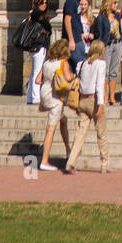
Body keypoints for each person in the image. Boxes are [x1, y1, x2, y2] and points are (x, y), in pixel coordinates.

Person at [65, 40, 110, 174]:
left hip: (82, 100)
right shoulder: (101, 64)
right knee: (101, 133)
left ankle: (71, 161)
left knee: (80, 133)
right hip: (94, 99)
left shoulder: (81, 64)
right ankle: (104, 163)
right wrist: (100, 103)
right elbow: (99, 84)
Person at [36, 39, 72, 171]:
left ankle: (68, 149)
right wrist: (73, 76)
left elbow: (38, 80)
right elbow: (68, 78)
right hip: (55, 96)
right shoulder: (63, 62)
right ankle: (44, 160)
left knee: (63, 120)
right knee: (50, 129)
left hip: (45, 93)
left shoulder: (47, 62)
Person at [24, 0, 53, 105]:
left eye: (46, 3)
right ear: (37, 3)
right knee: (37, 71)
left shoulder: (39, 15)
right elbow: (47, 26)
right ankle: (35, 97)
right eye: (42, 3)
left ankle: (31, 97)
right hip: (38, 46)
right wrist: (47, 25)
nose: (44, 5)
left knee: (34, 71)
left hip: (38, 47)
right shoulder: (37, 14)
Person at [94, 0, 122, 106]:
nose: (116, 5)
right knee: (104, 72)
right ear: (108, 3)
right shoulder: (101, 17)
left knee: (114, 71)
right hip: (107, 45)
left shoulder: (117, 16)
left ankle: (112, 97)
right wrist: (101, 46)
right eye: (114, 3)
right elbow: (99, 33)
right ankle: (104, 97)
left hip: (117, 44)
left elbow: (119, 31)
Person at [62, 0, 87, 65]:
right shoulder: (70, 2)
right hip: (74, 40)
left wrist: (81, 35)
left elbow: (76, 21)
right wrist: (71, 40)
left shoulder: (76, 1)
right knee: (81, 66)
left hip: (78, 38)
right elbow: (67, 20)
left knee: (74, 68)